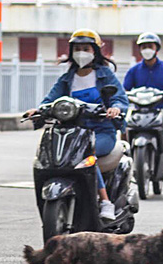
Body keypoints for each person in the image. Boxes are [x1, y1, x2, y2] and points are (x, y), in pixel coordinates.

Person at [25, 29, 128, 220]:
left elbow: (119, 98)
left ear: (95, 51)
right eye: (77, 48)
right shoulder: (67, 78)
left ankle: (105, 202)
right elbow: (50, 99)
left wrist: (115, 109)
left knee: (86, 155)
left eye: (86, 48)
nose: (81, 52)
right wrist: (38, 110)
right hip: (72, 132)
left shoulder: (105, 75)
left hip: (101, 132)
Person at [123, 32, 163, 174]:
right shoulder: (134, 70)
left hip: (161, 109)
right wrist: (121, 97)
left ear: (156, 49)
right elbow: (124, 89)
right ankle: (125, 158)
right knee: (124, 127)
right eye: (143, 47)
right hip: (139, 110)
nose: (147, 50)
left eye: (150, 46)